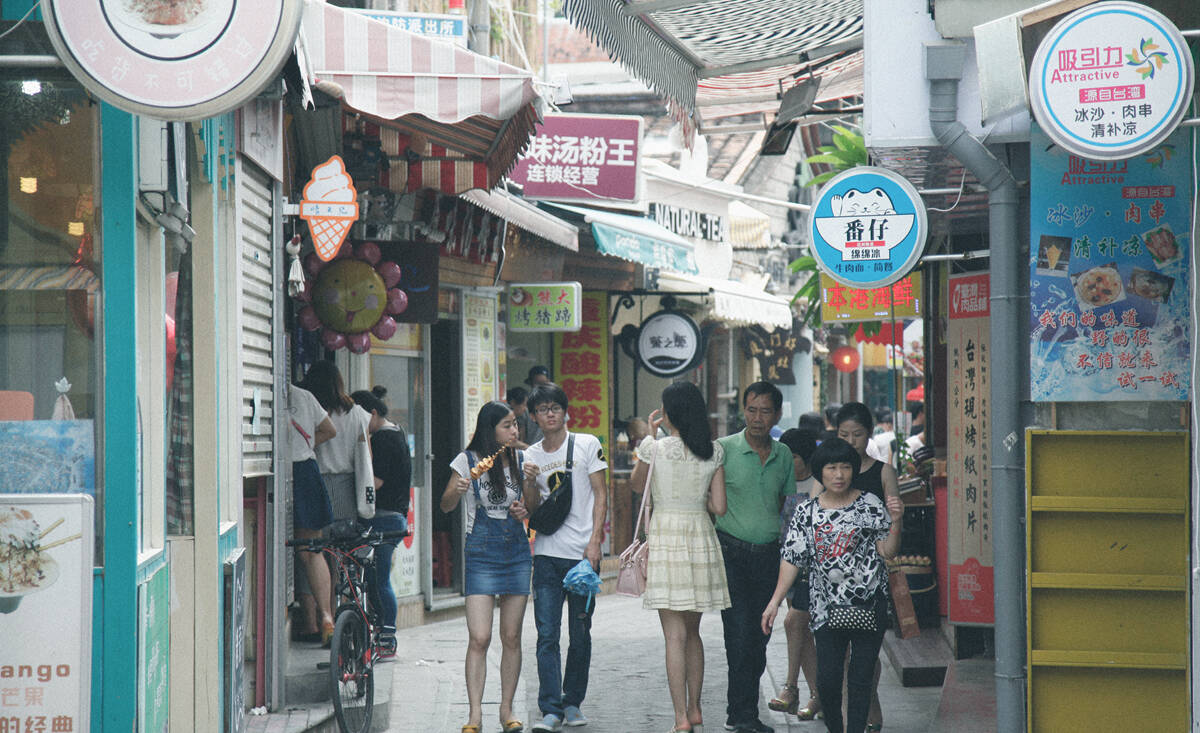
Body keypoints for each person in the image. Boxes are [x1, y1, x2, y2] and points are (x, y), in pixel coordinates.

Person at [761, 438, 904, 733]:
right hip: (825, 608)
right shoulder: (807, 512)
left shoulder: (871, 504)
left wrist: (897, 522)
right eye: (831, 467)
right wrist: (775, 601)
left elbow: (887, 551)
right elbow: (792, 559)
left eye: (845, 467)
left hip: (869, 605)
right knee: (827, 679)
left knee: (862, 677)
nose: (839, 474)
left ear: (853, 470)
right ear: (820, 472)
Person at [630, 382, 730, 733]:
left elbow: (637, 487)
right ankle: (696, 707)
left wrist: (650, 437)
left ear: (668, 413)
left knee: (673, 637)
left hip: (666, 537)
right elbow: (719, 507)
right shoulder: (713, 450)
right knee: (694, 633)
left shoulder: (653, 447)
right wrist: (696, 500)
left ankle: (680, 718)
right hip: (700, 537)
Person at [440, 401, 538, 733]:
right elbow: (446, 504)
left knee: (511, 636)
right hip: (480, 551)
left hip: (516, 551)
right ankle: (474, 714)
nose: (515, 431)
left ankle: (507, 710)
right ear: (490, 429)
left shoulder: (522, 460)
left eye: (515, 425)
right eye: (508, 426)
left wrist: (528, 498)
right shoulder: (466, 461)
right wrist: (458, 488)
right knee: (479, 637)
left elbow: (532, 510)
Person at [524, 382, 608, 732]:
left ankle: (573, 702)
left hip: (580, 556)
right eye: (542, 409)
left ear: (565, 411)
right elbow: (532, 510)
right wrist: (528, 481)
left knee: (581, 632)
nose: (550, 414)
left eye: (555, 407)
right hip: (545, 555)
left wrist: (594, 544)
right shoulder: (530, 455)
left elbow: (601, 495)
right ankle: (550, 708)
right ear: (533, 417)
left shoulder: (588, 443)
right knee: (546, 634)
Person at [715, 381, 795, 733]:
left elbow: (788, 509)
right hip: (730, 553)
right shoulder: (724, 449)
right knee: (738, 633)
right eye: (751, 410)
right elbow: (707, 498)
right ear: (742, 411)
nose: (757, 418)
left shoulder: (784, 455)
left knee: (760, 635)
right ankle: (742, 714)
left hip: (769, 557)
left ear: (777, 414)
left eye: (765, 411)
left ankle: (743, 711)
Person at [835, 402, 902, 731]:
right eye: (843, 434)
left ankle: (866, 704)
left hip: (873, 575)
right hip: (835, 577)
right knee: (843, 653)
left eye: (857, 434)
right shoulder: (830, 473)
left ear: (869, 435)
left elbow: (894, 520)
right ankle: (858, 711)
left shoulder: (882, 472)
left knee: (865, 651)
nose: (850, 441)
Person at [350, 387, 412, 658]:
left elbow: (374, 484)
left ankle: (387, 637)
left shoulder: (385, 440)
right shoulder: (394, 431)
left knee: (379, 579)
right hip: (391, 517)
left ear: (372, 413)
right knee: (376, 577)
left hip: (385, 518)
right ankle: (382, 634)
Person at [767, 429, 822, 721]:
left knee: (797, 626)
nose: (790, 462)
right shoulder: (782, 483)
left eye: (795, 456)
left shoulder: (820, 482)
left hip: (815, 569)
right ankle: (816, 695)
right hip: (789, 566)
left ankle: (797, 689)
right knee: (801, 633)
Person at [288, 383, 337, 644]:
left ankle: (300, 615)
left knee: (293, 548)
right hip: (307, 469)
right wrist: (306, 441)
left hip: (285, 471)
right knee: (313, 550)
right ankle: (327, 616)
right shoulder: (305, 395)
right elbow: (330, 429)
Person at [302, 361, 374, 524]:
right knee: (342, 542)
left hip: (313, 482)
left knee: (315, 540)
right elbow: (368, 456)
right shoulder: (357, 413)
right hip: (346, 487)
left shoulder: (310, 411)